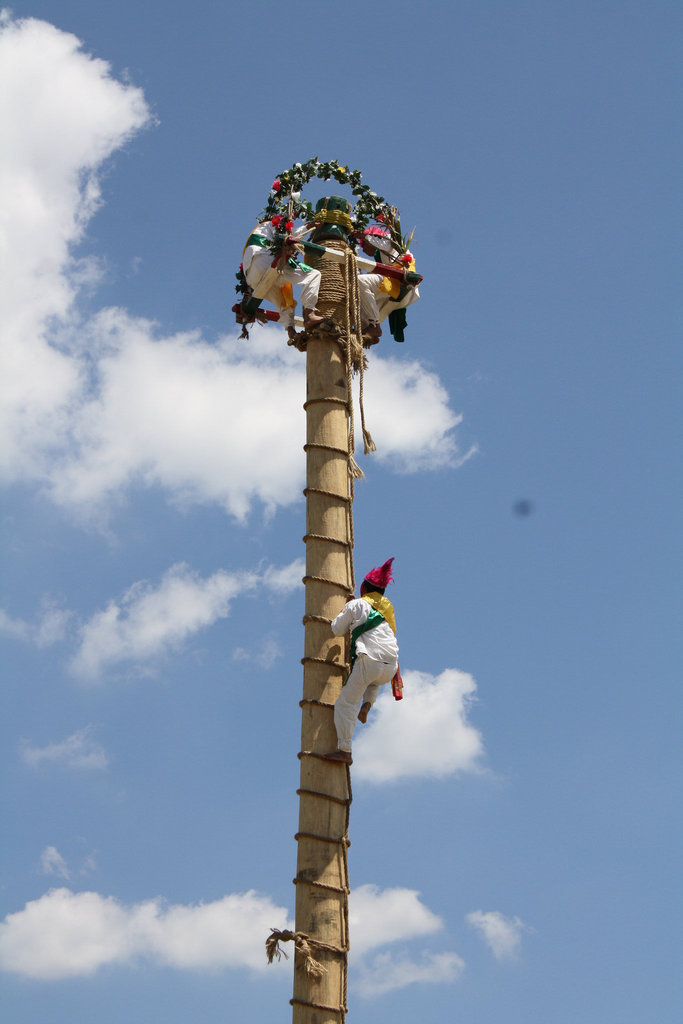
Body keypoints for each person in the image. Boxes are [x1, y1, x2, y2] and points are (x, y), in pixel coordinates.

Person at [322, 558, 399, 764]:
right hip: (390, 667)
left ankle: (344, 750)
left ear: (365, 587)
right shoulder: (387, 610)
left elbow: (337, 629)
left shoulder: (357, 604)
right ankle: (368, 704)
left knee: (345, 704)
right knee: (373, 681)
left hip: (370, 662)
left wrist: (346, 609)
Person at [242, 220, 324, 340]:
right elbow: (289, 236)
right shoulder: (273, 223)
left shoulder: (259, 229)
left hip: (252, 277)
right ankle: (309, 314)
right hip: (266, 261)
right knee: (314, 275)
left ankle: (290, 329)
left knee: (283, 300)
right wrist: (310, 225)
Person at [357, 226, 420, 342]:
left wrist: (364, 236)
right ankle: (365, 329)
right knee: (358, 293)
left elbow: (386, 245)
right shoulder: (380, 256)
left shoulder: (389, 241)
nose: (364, 250)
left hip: (399, 281)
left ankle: (374, 325)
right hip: (391, 281)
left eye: (363, 245)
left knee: (360, 282)